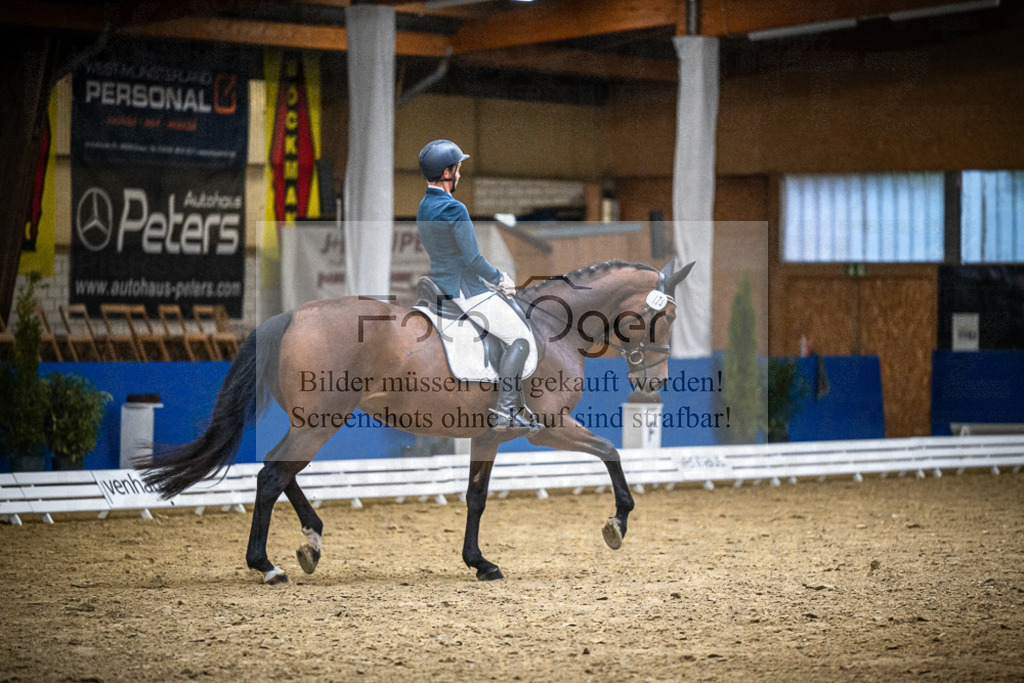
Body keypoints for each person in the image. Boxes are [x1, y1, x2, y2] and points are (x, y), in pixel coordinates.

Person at [416, 139, 536, 432]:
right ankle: (506, 410)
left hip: (439, 284)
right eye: (457, 169)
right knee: (520, 338)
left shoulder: (424, 205)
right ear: (447, 172)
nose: (459, 174)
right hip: (465, 288)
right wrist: (499, 278)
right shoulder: (454, 208)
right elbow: (472, 258)